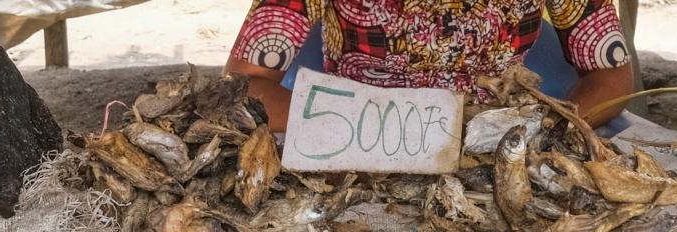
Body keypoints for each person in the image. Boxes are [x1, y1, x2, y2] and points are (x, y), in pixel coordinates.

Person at [227, 0, 634, 133]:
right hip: (359, 135)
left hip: (496, 135)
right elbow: (243, 83)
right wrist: (356, 129)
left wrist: (548, 129)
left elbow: (611, 75)